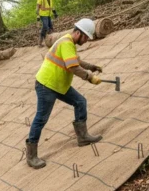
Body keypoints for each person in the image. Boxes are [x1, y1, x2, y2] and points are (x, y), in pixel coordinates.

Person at [26, 18, 103, 170]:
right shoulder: (66, 42)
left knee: (80, 102)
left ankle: (82, 137)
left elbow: (77, 61)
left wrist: (91, 67)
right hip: (47, 85)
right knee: (41, 118)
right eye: (86, 37)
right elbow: (73, 66)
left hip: (59, 85)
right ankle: (31, 155)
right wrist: (89, 77)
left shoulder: (69, 43)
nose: (86, 40)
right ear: (78, 33)